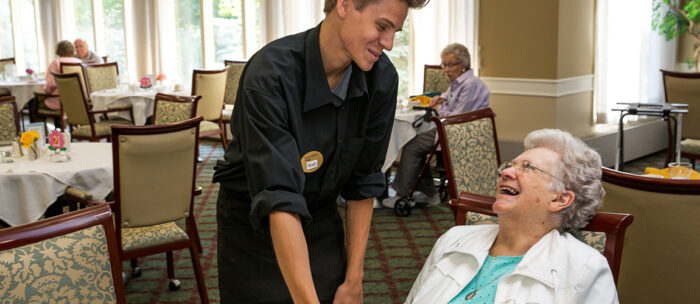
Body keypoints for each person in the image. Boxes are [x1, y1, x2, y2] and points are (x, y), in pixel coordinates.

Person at [212, 0, 429, 303]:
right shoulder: (270, 74)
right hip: (254, 224)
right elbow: (279, 199)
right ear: (344, 5)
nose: (390, 44)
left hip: (321, 217)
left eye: (395, 31)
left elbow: (362, 182)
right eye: (382, 27)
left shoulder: (382, 79)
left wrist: (355, 278)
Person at [405, 129, 619, 303]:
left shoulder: (585, 268)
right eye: (510, 165)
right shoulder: (454, 239)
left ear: (559, 200)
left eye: (528, 168)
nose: (505, 173)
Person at [383, 43, 490, 208]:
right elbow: (448, 96)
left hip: (459, 134)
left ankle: (402, 194)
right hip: (450, 130)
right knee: (414, 142)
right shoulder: (459, 82)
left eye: (450, 64)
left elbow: (457, 118)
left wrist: (440, 107)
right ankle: (429, 193)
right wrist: (440, 98)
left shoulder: (470, 84)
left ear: (463, 65)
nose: (445, 69)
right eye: (444, 64)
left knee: (413, 145)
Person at [42, 40, 82, 110]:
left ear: (58, 50)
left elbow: (51, 84)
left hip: (59, 101)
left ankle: (56, 120)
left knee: (33, 104)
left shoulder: (56, 62)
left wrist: (45, 91)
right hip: (78, 101)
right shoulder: (79, 62)